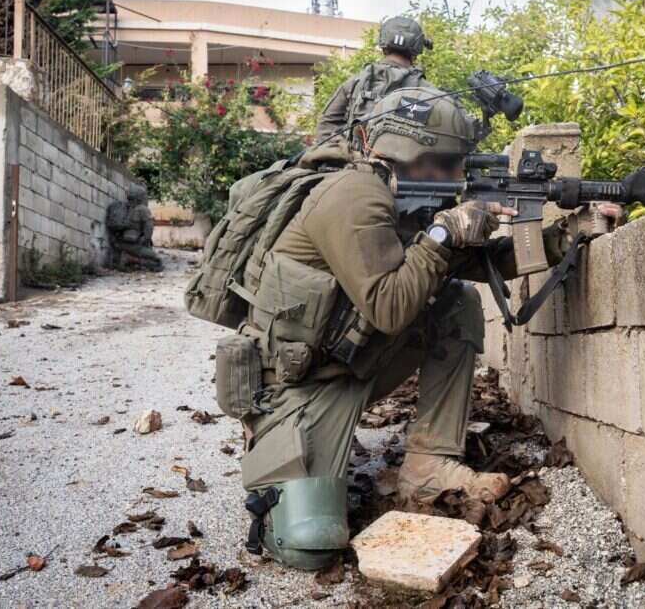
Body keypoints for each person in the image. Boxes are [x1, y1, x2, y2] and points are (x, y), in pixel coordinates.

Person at [237, 86, 619, 570]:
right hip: (300, 384)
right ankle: (275, 439)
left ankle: (428, 464)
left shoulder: (406, 198)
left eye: (457, 163)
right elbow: (390, 308)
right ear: (405, 153)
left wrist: (571, 232)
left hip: (352, 361)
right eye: (443, 163)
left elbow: (484, 265)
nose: (455, 176)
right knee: (308, 546)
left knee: (456, 301)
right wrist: (444, 233)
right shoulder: (353, 195)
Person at [305, 15, 436, 165]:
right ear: (417, 48)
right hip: (406, 172)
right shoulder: (428, 90)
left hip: (354, 168)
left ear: (383, 45)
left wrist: (348, 156)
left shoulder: (355, 82)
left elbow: (326, 125)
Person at [105, 184, 163, 272]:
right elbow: (149, 227)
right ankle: (130, 259)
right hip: (133, 244)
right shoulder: (142, 209)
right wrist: (145, 240)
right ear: (140, 198)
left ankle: (122, 260)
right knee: (157, 261)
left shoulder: (123, 207)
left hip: (117, 243)